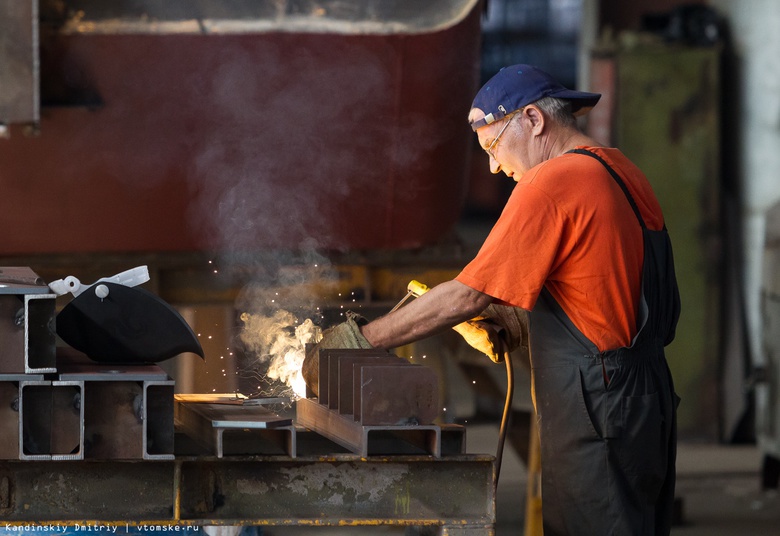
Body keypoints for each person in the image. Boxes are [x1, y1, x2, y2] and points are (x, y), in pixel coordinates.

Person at [305, 64, 681, 535]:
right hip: (647, 395)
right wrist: (520, 321)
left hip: (598, 401)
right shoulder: (620, 170)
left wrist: (356, 344)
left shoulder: (551, 183)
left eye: (492, 145)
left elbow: (465, 295)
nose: (493, 166)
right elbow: (612, 285)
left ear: (533, 119)